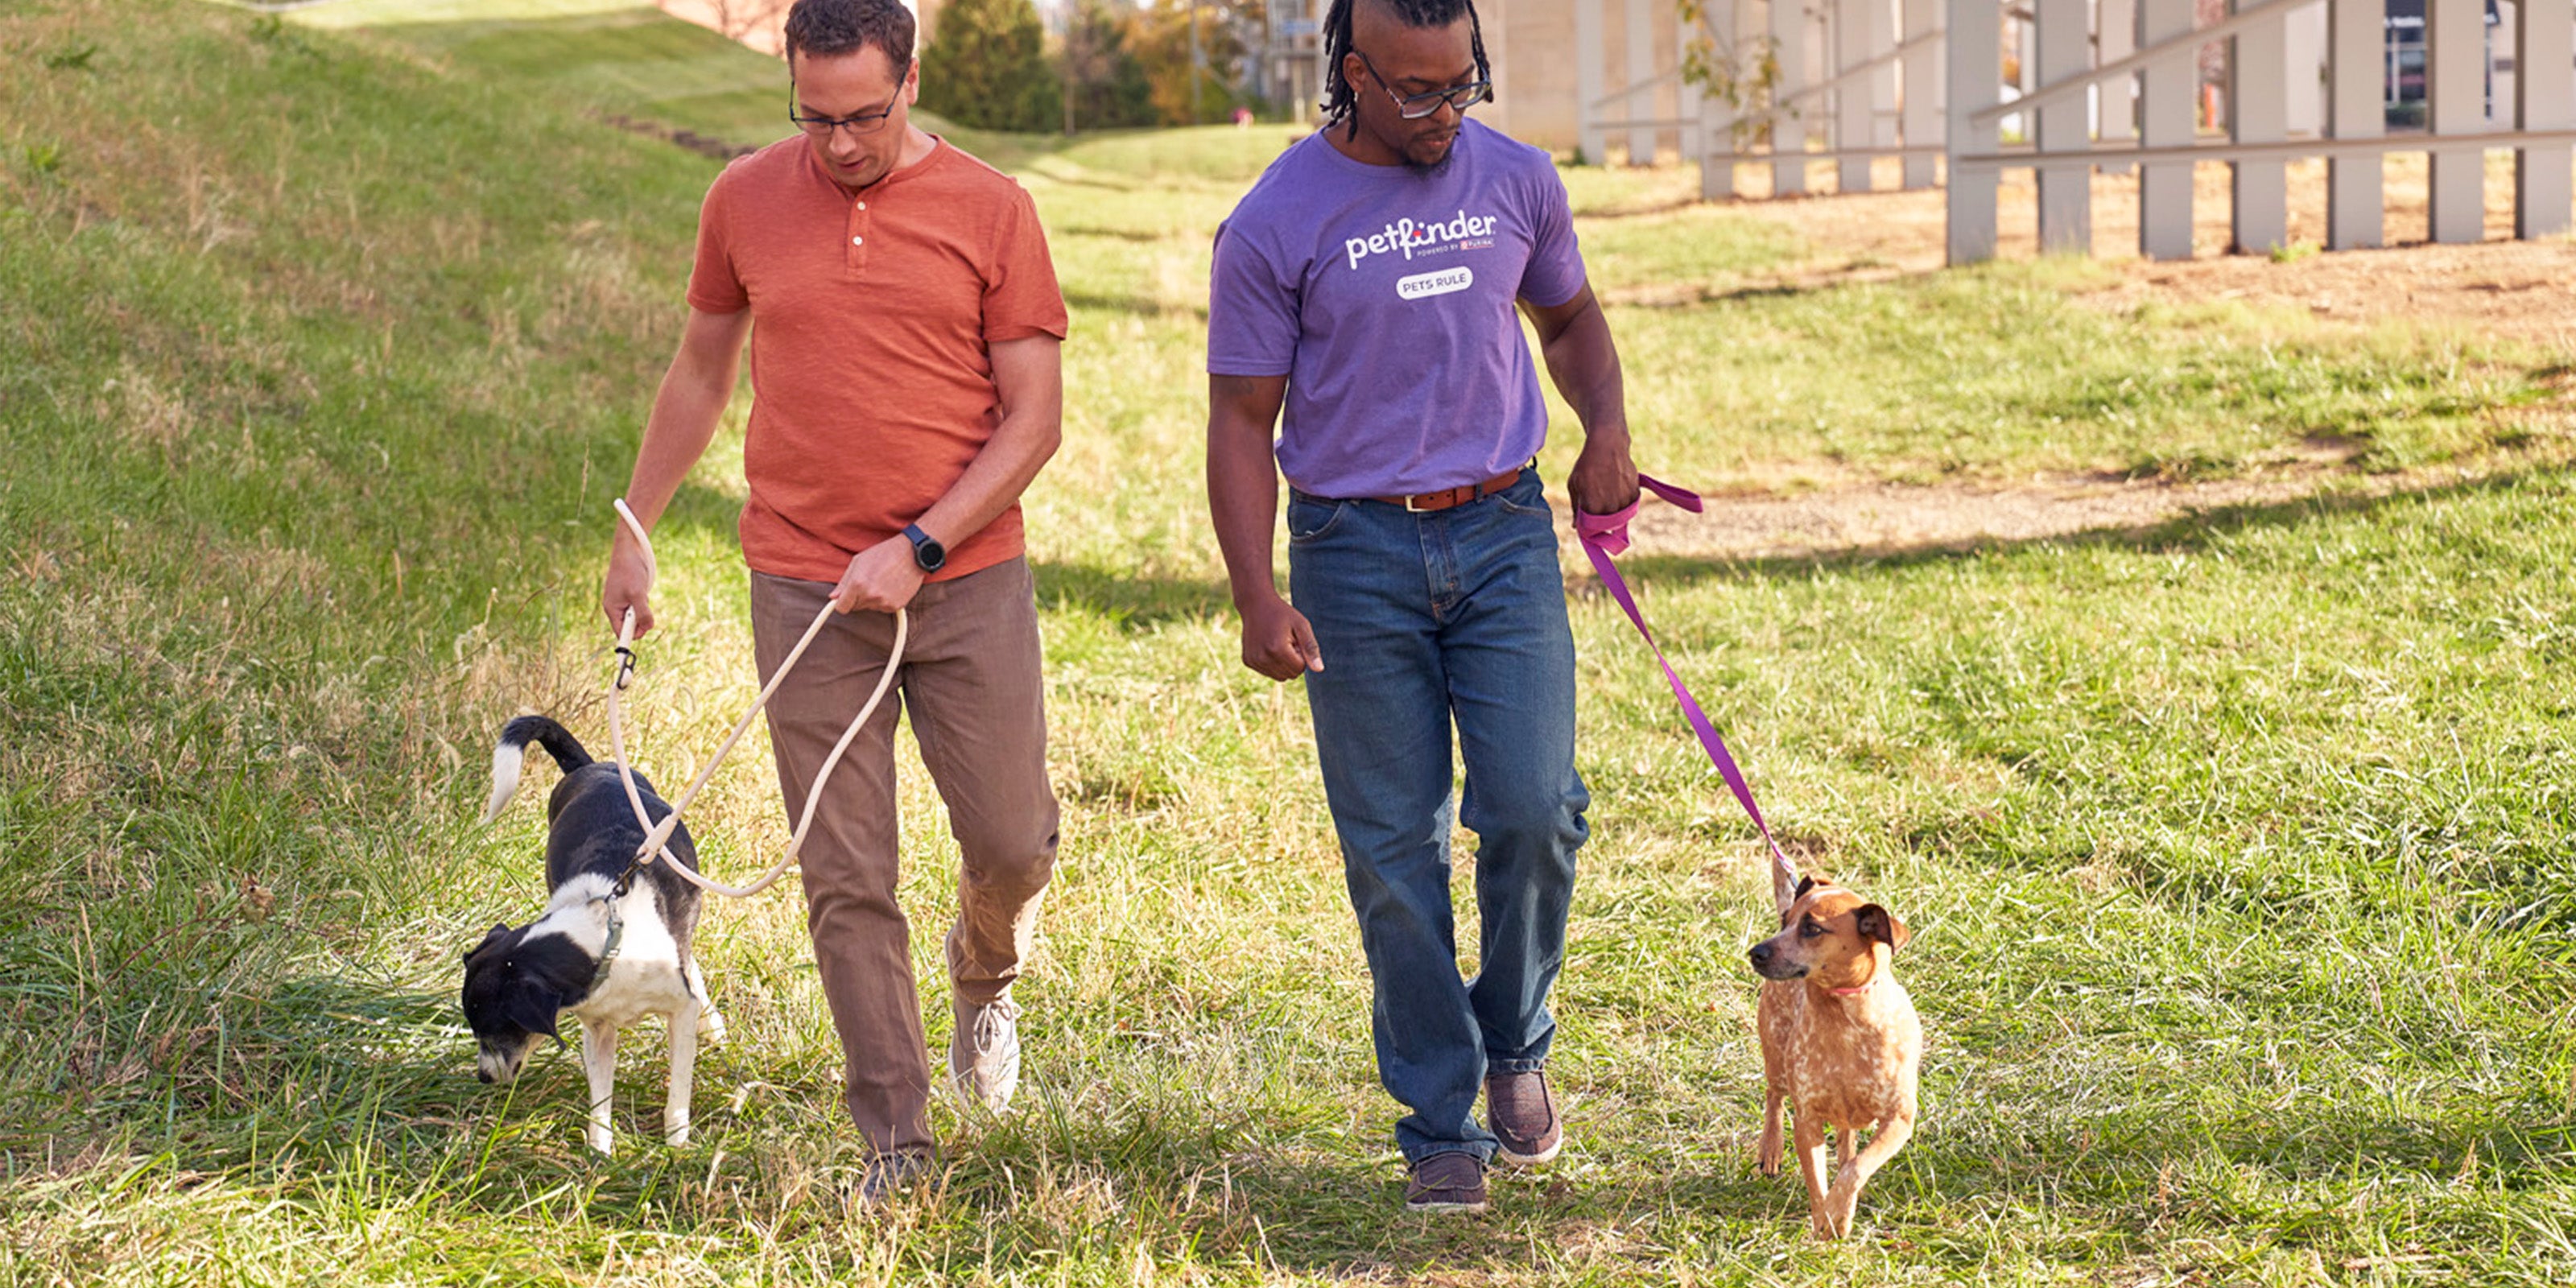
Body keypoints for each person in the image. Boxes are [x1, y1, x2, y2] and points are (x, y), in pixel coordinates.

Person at [599, 0, 1067, 1200]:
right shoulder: (745, 200)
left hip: (964, 579)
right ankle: (896, 1144)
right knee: (846, 874)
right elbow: (702, 368)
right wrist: (637, 529)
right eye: (816, 116)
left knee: (1013, 840)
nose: (842, 143)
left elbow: (1035, 419)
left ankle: (986, 968)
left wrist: (921, 542)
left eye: (866, 115)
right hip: (804, 581)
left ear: (911, 81)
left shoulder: (993, 210)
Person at [1203, 0, 1641, 1215]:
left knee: (1536, 808)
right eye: (1415, 92)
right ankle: (1440, 1120)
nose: (1446, 113)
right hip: (1352, 553)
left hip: (1501, 532)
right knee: (1394, 852)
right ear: (1352, 75)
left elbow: (1572, 321)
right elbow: (1240, 424)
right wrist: (1255, 593)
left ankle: (1516, 1045)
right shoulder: (1274, 220)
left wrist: (1607, 430)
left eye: (1463, 85)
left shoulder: (1517, 179)